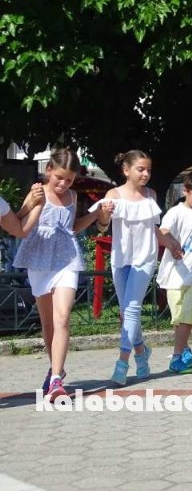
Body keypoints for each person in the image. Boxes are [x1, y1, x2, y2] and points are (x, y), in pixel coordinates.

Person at [93, 150, 180, 385]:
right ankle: (141, 352)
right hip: (121, 258)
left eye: (148, 170)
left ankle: (122, 363)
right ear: (126, 170)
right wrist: (104, 216)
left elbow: (153, 228)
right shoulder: (114, 194)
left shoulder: (151, 195)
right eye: (140, 169)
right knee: (126, 312)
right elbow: (102, 227)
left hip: (145, 259)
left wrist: (171, 243)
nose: (145, 174)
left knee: (132, 309)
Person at [11, 157, 77, 398]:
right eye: (59, 177)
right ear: (48, 170)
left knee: (63, 316)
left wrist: (98, 217)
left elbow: (72, 227)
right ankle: (54, 368)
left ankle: (57, 379)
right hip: (39, 259)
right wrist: (31, 203)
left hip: (67, 259)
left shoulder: (73, 197)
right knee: (48, 323)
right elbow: (17, 223)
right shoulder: (38, 191)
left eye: (69, 180)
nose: (63, 184)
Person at [156, 170, 192, 373]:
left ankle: (176, 357)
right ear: (185, 191)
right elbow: (163, 231)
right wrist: (173, 243)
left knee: (188, 314)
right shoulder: (175, 212)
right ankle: (185, 349)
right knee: (179, 317)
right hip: (175, 274)